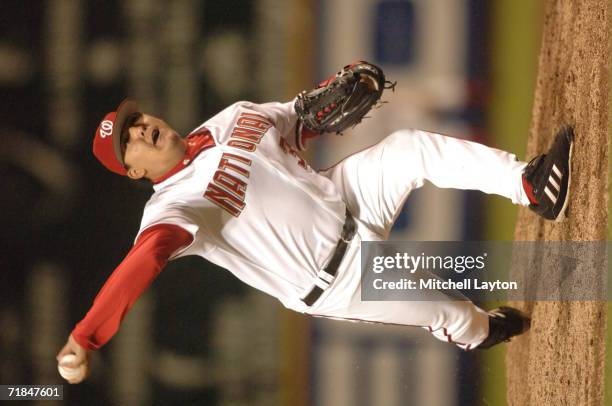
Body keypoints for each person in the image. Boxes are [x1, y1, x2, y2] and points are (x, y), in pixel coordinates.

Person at [56, 69, 573, 384]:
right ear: (134, 171)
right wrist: (86, 336)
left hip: (348, 197)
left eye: (137, 119)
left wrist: (320, 103)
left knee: (410, 149)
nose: (143, 127)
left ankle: (529, 185)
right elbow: (142, 263)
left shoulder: (228, 119)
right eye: (131, 139)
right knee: (455, 314)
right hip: (338, 279)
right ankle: (478, 334)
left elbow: (299, 120)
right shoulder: (171, 209)